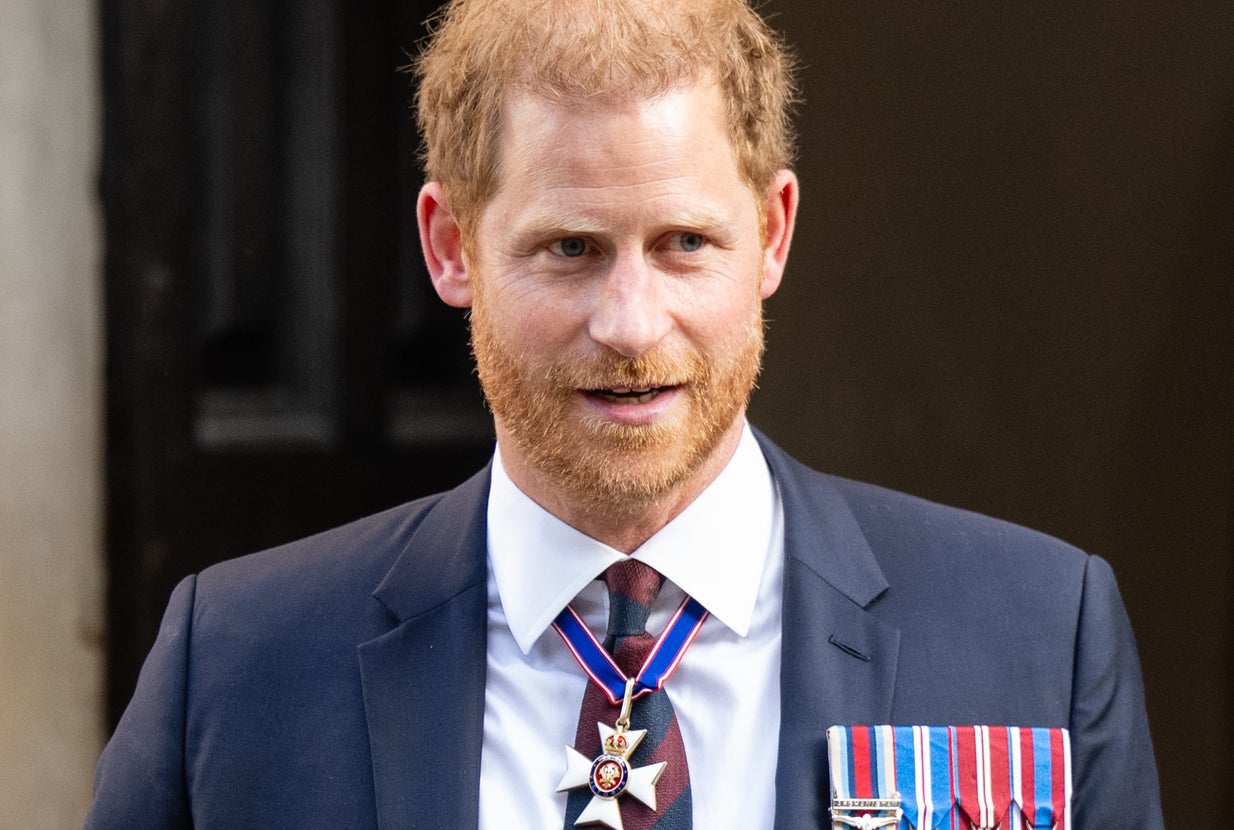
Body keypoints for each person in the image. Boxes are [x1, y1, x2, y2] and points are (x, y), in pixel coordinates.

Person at [84, 0, 1164, 827]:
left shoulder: (1034, 638)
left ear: (773, 234)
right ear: (451, 246)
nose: (630, 323)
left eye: (684, 242)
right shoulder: (237, 667)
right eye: (570, 248)